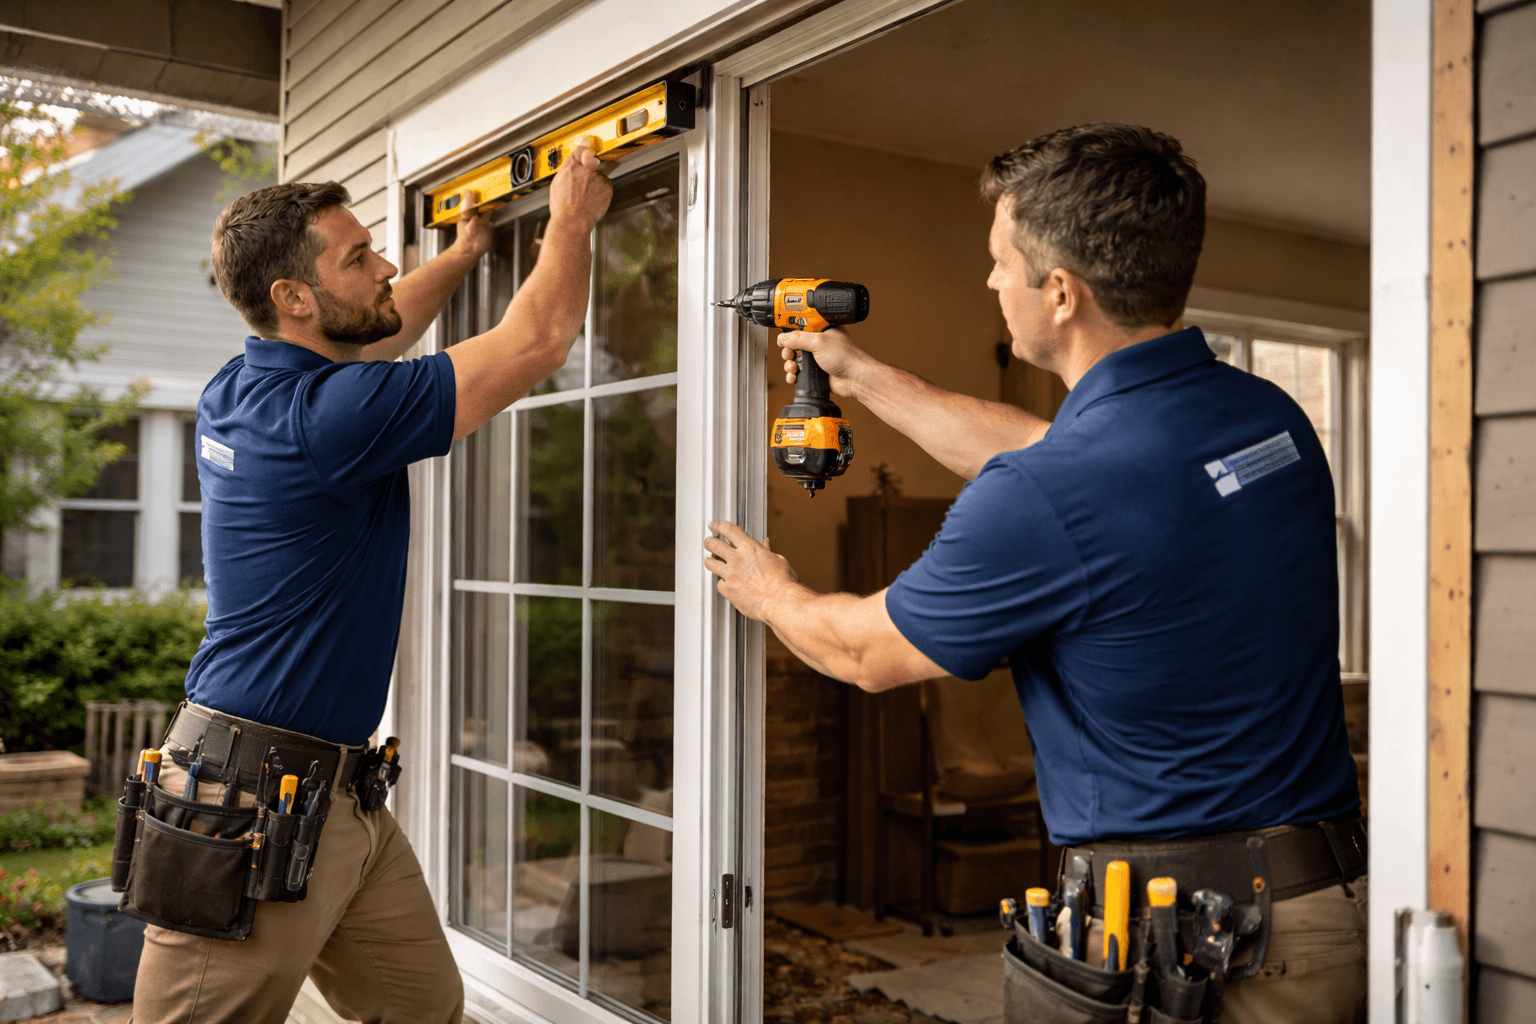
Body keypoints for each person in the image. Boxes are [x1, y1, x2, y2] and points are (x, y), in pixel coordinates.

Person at [703, 123, 1365, 1024]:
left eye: (1000, 263)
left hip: (1190, 950)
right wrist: (861, 374)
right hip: (1328, 917)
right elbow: (1056, 456)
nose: (990, 282)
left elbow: (865, 655)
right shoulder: (1262, 416)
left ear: (1060, 292)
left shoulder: (1052, 494)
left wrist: (768, 588)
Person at [128, 142, 612, 1024]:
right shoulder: (328, 421)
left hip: (339, 798)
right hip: (245, 803)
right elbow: (538, 340)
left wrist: (462, 257)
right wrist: (571, 220)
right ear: (294, 298)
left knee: (421, 1006)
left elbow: (378, 328)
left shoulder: (242, 388)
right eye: (359, 258)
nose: (387, 266)